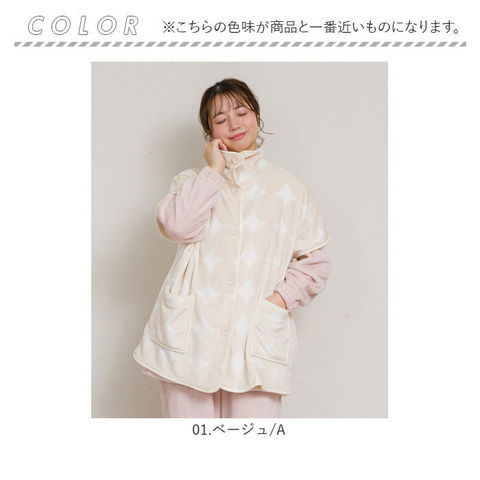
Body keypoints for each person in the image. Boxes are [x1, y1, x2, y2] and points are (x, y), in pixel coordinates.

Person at [133, 78, 331, 418]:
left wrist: (277, 302)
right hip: (191, 339)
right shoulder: (190, 182)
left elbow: (316, 261)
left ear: (257, 116)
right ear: (210, 132)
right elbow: (179, 227)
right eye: (220, 119)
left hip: (254, 342)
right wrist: (214, 171)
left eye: (241, 113)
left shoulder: (289, 189)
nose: (234, 124)